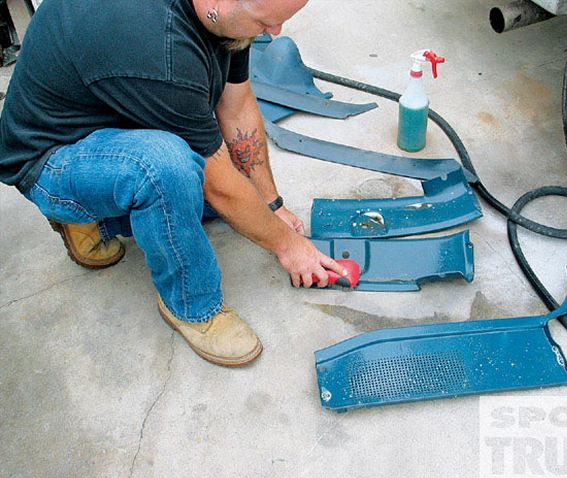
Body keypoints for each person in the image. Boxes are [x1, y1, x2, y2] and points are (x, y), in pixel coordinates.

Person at [0, 0, 346, 367]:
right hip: (51, 157)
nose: (275, 33)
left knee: (239, 200)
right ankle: (193, 306)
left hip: (111, 110)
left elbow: (237, 102)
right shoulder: (162, 48)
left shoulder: (225, 21)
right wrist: (288, 246)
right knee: (169, 168)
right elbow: (220, 187)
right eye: (265, 22)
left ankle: (97, 220)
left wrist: (271, 205)